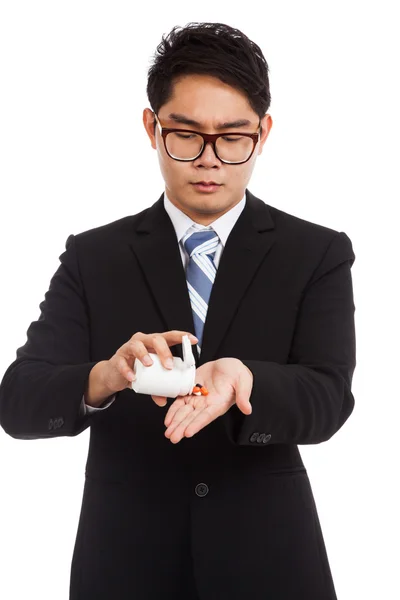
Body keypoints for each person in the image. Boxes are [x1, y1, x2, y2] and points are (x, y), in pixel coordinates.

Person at [0, 21, 356, 600]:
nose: (208, 160)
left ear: (263, 133)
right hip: (124, 561)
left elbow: (329, 398)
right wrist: (106, 376)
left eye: (233, 136)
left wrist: (246, 381)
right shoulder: (94, 256)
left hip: (269, 561)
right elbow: (17, 400)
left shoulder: (316, 252)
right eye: (185, 134)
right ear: (151, 126)